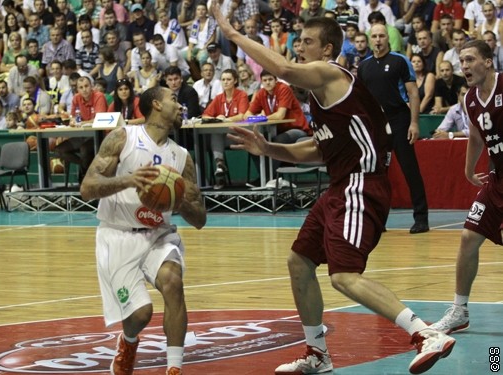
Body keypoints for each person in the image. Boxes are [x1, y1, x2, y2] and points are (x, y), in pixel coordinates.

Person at [212, 7, 455, 375]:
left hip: (361, 184)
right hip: (340, 188)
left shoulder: (331, 74)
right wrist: (269, 149)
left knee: (344, 276)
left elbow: (284, 71)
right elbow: (317, 148)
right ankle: (318, 354)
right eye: (299, 42)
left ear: (327, 50)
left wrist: (233, 34)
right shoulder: (322, 97)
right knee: (299, 262)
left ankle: (425, 333)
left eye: (307, 42)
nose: (300, 48)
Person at [79, 85, 206, 375]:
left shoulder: (182, 157)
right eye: (174, 99)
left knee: (173, 283)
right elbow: (87, 188)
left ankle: (174, 368)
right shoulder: (123, 138)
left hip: (159, 234)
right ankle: (128, 341)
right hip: (118, 234)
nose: (180, 105)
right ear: (156, 106)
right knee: (140, 314)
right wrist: (128, 180)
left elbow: (200, 219)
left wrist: (178, 200)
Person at [430, 40, 503, 335]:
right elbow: (475, 133)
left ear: (488, 62)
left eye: (471, 59)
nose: (465, 66)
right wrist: (468, 168)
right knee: (468, 237)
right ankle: (459, 310)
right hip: (497, 178)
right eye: (462, 60)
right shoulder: (470, 99)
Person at [359, 24, 430, 234]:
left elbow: (413, 93)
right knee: (377, 174)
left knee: (410, 170)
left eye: (381, 36)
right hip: (376, 125)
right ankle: (377, 220)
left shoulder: (400, 61)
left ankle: (421, 219)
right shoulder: (364, 66)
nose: (378, 39)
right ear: (370, 39)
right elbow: (362, 100)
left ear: (387, 39)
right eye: (375, 36)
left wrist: (414, 123)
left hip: (399, 120)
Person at [201, 68, 249, 189]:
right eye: (223, 80)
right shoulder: (218, 98)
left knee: (217, 136)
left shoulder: (241, 95)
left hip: (239, 136)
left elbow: (242, 115)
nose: (225, 82)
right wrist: (215, 118)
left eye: (229, 79)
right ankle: (220, 166)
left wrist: (225, 119)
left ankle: (220, 169)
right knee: (215, 134)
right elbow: (205, 115)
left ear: (235, 81)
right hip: (225, 137)